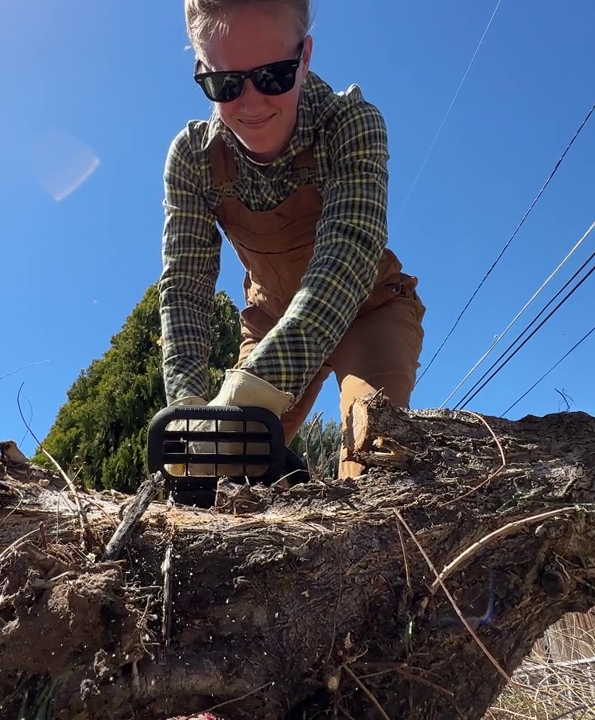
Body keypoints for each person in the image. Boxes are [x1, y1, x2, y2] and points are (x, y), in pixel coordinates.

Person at [156, 0, 425, 482]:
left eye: (275, 75)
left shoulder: (352, 124)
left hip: (369, 310)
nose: (253, 103)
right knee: (216, 475)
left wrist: (254, 387)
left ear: (304, 57)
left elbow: (350, 252)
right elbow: (186, 288)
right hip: (269, 321)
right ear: (201, 72)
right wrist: (188, 407)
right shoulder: (193, 159)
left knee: (375, 462)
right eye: (227, 84)